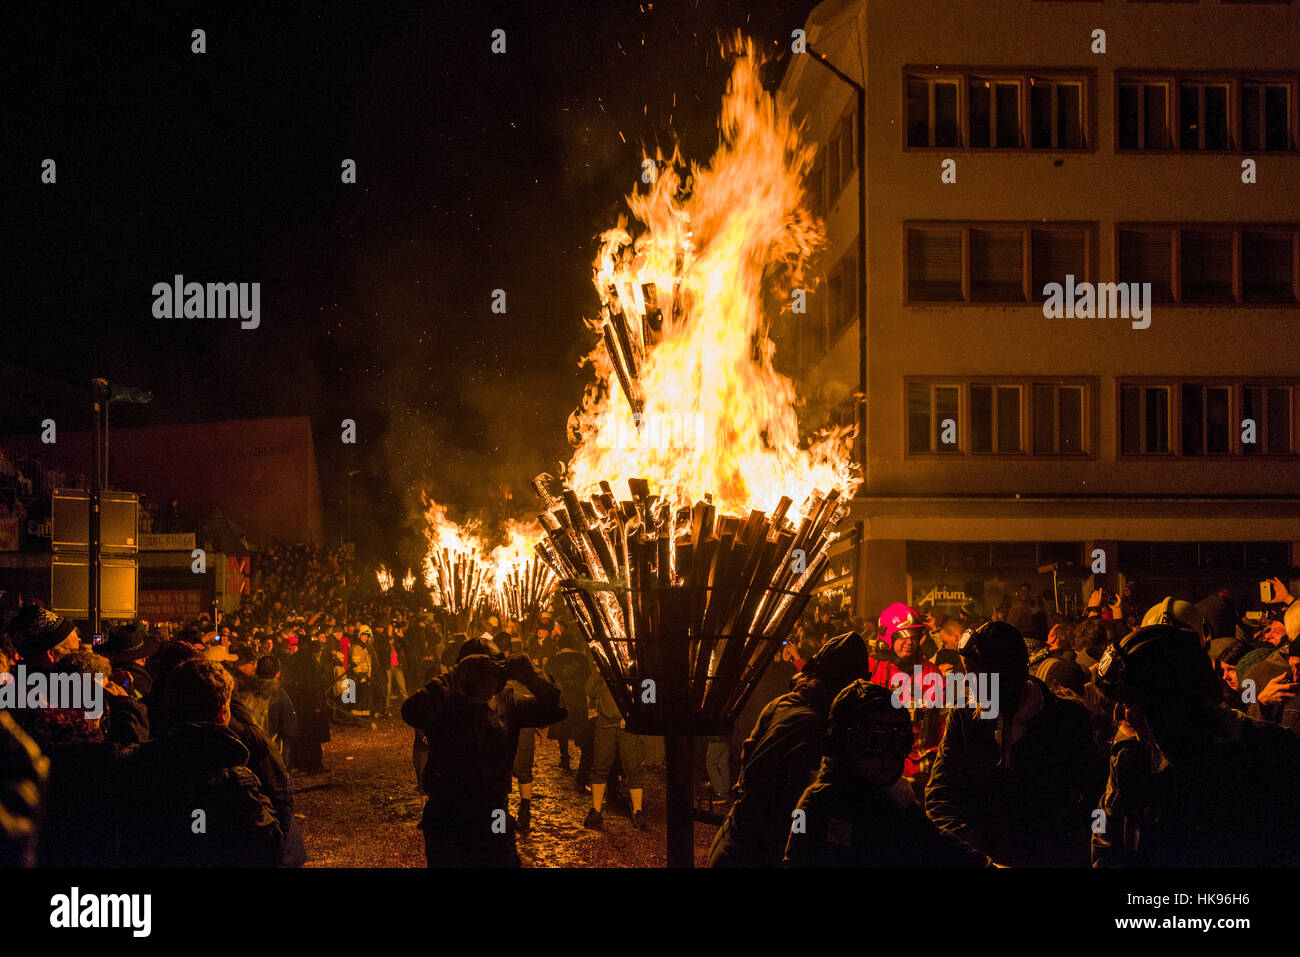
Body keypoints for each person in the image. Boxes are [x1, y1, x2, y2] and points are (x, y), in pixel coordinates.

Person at [1092, 623, 1300, 867]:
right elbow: (1103, 831)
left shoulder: (1270, 753)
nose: (1121, 716)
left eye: (1131, 704)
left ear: (1173, 704)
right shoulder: (1132, 756)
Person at [925, 620, 1105, 868]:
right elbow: (939, 792)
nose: (969, 681)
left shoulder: (1067, 719)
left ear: (1010, 675)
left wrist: (1087, 849)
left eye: (978, 674)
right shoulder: (965, 716)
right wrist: (965, 843)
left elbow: (1098, 797)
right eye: (968, 672)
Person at [784, 680, 993, 868]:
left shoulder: (896, 801)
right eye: (875, 741)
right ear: (843, 741)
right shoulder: (816, 804)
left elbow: (935, 841)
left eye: (900, 743)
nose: (888, 756)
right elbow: (796, 858)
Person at [709, 632, 870, 867]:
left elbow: (748, 763)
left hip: (734, 839)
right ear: (850, 685)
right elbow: (808, 806)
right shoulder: (822, 730)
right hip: (763, 853)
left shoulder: (780, 705)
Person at [401, 636, 565, 867]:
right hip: (447, 812)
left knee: (500, 859)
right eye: (478, 674)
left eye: (490, 674)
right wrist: (454, 675)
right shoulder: (445, 701)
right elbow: (411, 711)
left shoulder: (507, 702)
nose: (485, 682)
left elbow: (554, 709)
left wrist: (531, 674)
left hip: (493, 811)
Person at [120, 658, 285, 867]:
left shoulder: (139, 764)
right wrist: (263, 802)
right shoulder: (233, 780)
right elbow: (270, 845)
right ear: (221, 711)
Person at [582, 667, 646, 830]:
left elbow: (648, 696)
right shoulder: (604, 669)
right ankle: (596, 811)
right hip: (605, 724)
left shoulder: (636, 666)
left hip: (629, 726)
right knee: (600, 766)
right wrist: (596, 671)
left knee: (633, 766)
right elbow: (589, 690)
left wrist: (633, 717)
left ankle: (638, 811)